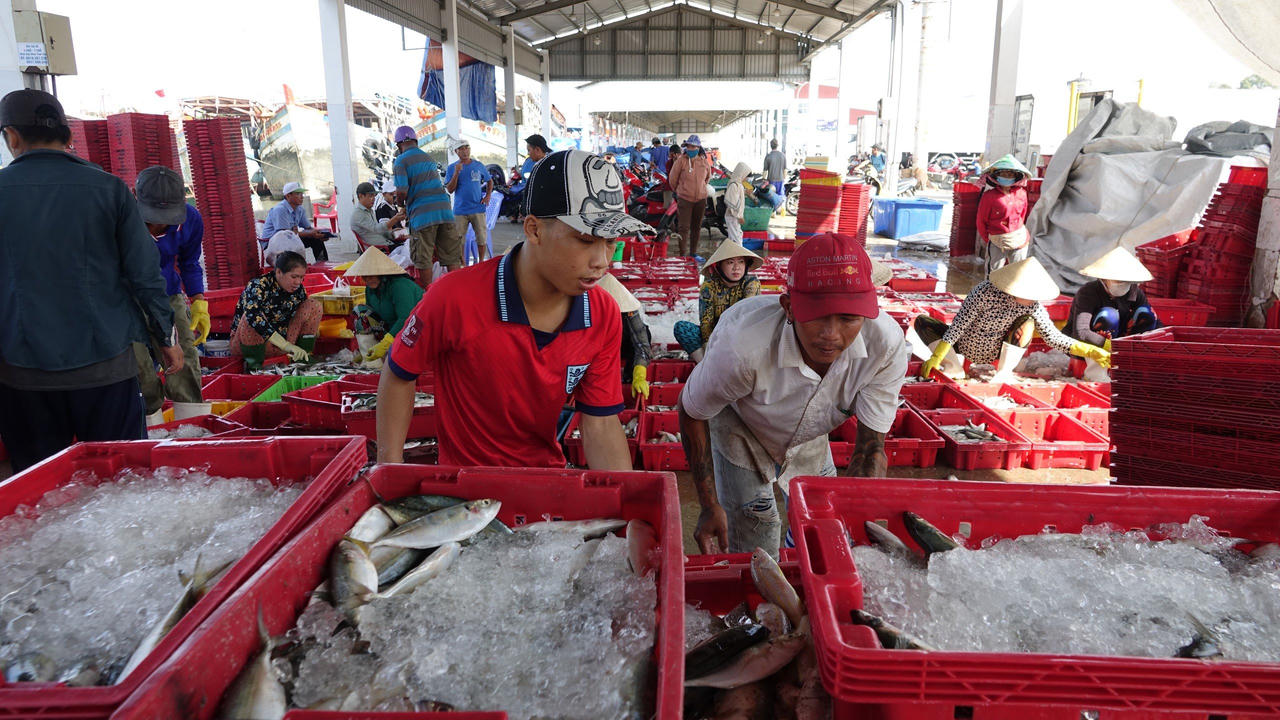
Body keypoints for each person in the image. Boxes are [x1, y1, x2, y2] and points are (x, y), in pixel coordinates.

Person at [377, 149, 655, 468]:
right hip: (466, 497)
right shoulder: (453, 297)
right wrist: (390, 467)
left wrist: (624, 503)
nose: (602, 262)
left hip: (546, 485)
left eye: (610, 242)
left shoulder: (603, 313)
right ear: (534, 229)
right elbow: (399, 371)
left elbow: (601, 423)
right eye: (584, 240)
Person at [679, 233, 905, 556]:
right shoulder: (742, 349)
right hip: (741, 421)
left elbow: (870, 451)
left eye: (848, 318)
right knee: (758, 530)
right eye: (816, 315)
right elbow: (691, 410)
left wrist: (860, 517)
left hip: (811, 426)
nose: (831, 335)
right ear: (789, 307)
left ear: (868, 313)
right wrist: (708, 502)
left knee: (820, 524)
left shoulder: (885, 348)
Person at [0, 89, 180, 471]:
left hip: (22, 373)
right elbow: (145, 275)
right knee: (121, 479)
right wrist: (166, 339)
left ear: (12, 137)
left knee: (42, 493)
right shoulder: (110, 189)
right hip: (105, 368)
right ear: (67, 137)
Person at [913, 257, 1111, 383]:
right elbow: (958, 327)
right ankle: (953, 369)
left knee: (1028, 323)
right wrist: (937, 356)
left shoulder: (1032, 306)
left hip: (998, 350)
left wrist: (1090, 350)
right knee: (922, 321)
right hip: (965, 346)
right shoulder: (983, 293)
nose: (1034, 299)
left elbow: (1053, 338)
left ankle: (1004, 373)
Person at [133, 165, 207, 423]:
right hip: (128, 297)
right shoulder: (121, 221)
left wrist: (198, 300)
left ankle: (192, 427)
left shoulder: (191, 219)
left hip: (168, 293)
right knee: (139, 366)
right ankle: (150, 425)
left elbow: (189, 262)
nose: (159, 222)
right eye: (154, 216)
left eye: (168, 216)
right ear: (135, 196)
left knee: (183, 357)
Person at [1066, 246, 1159, 375]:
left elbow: (1152, 322)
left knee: (1146, 314)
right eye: (1119, 280)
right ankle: (1098, 372)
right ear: (1105, 279)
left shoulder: (1134, 292)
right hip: (1089, 347)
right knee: (1109, 316)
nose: (1123, 283)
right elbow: (1081, 333)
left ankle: (1134, 362)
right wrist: (1110, 346)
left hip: (1120, 341)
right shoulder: (1088, 293)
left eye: (1126, 281)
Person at [230, 251, 323, 370]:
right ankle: (254, 367)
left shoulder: (298, 290)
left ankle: (302, 358)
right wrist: (285, 345)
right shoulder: (257, 286)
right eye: (294, 277)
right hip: (248, 344)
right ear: (278, 272)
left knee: (314, 305)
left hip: (282, 343)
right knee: (251, 318)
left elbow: (305, 317)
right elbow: (253, 317)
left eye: (301, 278)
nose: (298, 282)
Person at [392, 124, 459, 288]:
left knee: (423, 258)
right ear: (416, 140)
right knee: (451, 256)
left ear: (399, 145)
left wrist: (400, 204)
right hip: (445, 212)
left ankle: (428, 295)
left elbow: (402, 190)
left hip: (423, 215)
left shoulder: (400, 160)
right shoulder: (428, 157)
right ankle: (457, 292)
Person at [674, 241, 763, 362]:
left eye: (741, 262)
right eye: (730, 262)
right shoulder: (709, 286)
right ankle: (705, 365)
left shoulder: (751, 283)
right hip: (716, 338)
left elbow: (745, 316)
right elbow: (706, 322)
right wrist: (708, 347)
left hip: (744, 337)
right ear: (719, 266)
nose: (736, 267)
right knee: (682, 328)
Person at [343, 247, 424, 363]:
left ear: (381, 273)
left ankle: (386, 354)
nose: (368, 280)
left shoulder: (399, 286)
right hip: (391, 328)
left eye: (372, 275)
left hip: (416, 329)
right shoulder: (370, 289)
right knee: (360, 313)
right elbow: (371, 316)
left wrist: (386, 343)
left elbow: (406, 318)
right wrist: (365, 346)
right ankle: (370, 358)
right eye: (365, 276)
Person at [598, 274, 652, 401]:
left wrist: (639, 374)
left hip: (622, 345)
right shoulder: (587, 312)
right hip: (598, 351)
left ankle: (629, 378)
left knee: (646, 334)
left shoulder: (629, 312)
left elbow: (642, 345)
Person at [977, 154, 1032, 275]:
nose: (1007, 177)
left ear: (1016, 176)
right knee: (993, 273)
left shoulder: (1022, 194)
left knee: (1018, 273)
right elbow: (981, 221)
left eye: (1010, 174)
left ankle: (1013, 294)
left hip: (1019, 238)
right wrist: (989, 239)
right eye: (1003, 174)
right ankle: (990, 294)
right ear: (996, 177)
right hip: (997, 239)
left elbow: (1022, 215)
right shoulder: (989, 196)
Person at [445, 138, 493, 263]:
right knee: (459, 239)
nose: (465, 151)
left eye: (467, 147)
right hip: (460, 210)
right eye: (461, 149)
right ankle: (463, 264)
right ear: (456, 151)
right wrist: (456, 173)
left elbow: (489, 180)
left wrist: (488, 196)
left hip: (478, 208)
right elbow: (450, 190)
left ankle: (481, 262)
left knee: (481, 238)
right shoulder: (452, 168)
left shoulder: (478, 165)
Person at [262, 181, 332, 262]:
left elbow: (308, 228)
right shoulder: (280, 210)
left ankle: (323, 263)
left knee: (315, 239)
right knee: (308, 236)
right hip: (272, 242)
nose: (302, 197)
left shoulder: (300, 209)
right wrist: (310, 233)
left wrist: (319, 234)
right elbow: (284, 235)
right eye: (298, 194)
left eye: (302, 194)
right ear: (288, 196)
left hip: (289, 238)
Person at [669, 134, 713, 258]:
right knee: (683, 227)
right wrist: (680, 191)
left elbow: (707, 178)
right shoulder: (680, 161)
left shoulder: (704, 162)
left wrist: (700, 188)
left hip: (701, 200)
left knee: (696, 227)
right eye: (689, 146)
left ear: (698, 148)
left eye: (693, 147)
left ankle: (693, 253)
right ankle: (683, 254)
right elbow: (673, 179)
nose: (691, 149)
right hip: (684, 199)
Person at [351, 180, 404, 248]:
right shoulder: (358, 214)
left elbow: (379, 232)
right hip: (378, 249)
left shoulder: (370, 211)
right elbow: (377, 229)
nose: (373, 199)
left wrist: (393, 233)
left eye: (374, 196)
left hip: (385, 244)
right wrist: (395, 219)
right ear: (361, 196)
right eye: (370, 196)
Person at [723, 161, 751, 245]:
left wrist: (745, 192)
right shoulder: (734, 185)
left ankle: (734, 256)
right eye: (746, 176)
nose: (746, 178)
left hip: (734, 217)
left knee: (735, 237)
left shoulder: (738, 185)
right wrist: (739, 216)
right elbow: (732, 203)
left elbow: (737, 197)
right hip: (733, 217)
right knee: (736, 239)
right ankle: (737, 256)